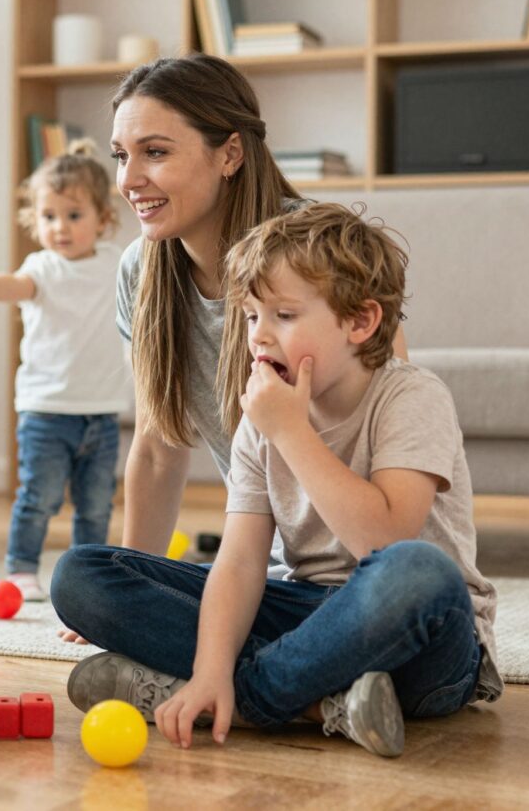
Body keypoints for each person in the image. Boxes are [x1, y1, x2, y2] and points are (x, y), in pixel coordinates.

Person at [55, 203, 501, 757]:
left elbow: (384, 543)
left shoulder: (410, 396)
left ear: (361, 322)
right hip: (306, 613)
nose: (259, 338)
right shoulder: (262, 418)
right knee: (81, 573)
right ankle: (318, 703)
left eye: (284, 316)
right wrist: (210, 667)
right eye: (250, 316)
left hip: (421, 643)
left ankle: (249, 702)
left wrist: (292, 434)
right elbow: (240, 562)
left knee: (420, 570)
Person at [52, 53, 406, 644]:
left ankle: (259, 678)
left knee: (412, 591)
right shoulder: (140, 271)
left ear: (230, 154)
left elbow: (392, 419)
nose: (128, 180)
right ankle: (307, 679)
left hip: (371, 570)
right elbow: (158, 447)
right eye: (121, 156)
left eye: (155, 152)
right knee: (82, 578)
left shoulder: (323, 250)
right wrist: (135, 582)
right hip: (268, 578)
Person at [0, 140, 129, 601]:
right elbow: (16, 286)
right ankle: (22, 567)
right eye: (48, 217)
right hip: (46, 409)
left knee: (95, 504)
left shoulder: (115, 263)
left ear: (103, 219)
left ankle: (87, 570)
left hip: (102, 411)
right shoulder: (41, 268)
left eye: (73, 215)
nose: (59, 228)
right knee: (39, 498)